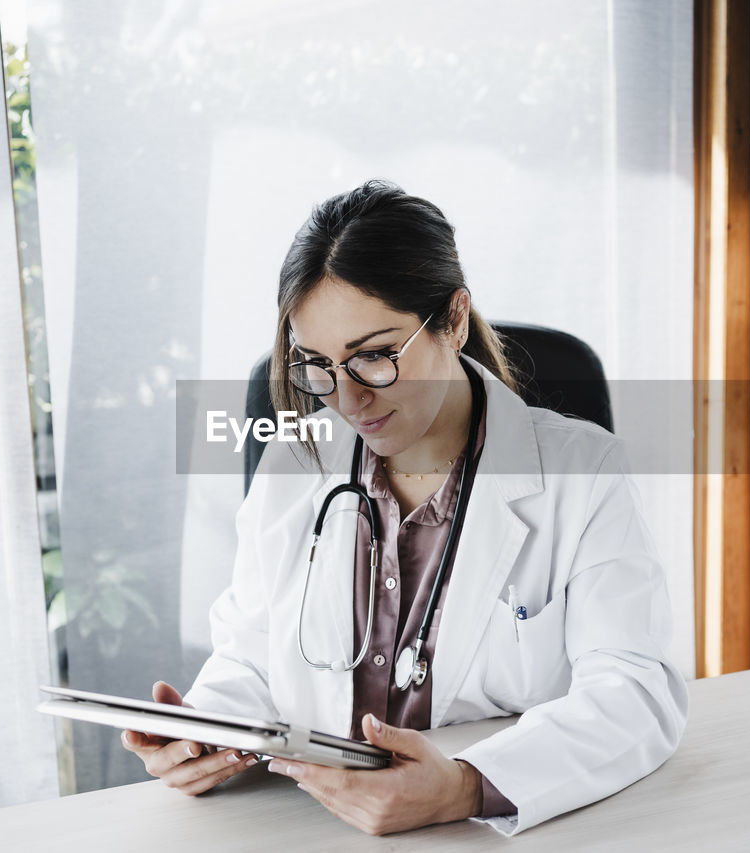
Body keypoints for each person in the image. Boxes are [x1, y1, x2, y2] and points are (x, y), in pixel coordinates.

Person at [121, 180, 688, 836]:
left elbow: (635, 691)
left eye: (374, 355)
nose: (347, 398)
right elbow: (252, 656)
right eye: (318, 364)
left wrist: (467, 785)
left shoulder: (583, 471)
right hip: (319, 823)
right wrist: (208, 730)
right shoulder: (293, 465)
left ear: (453, 317)